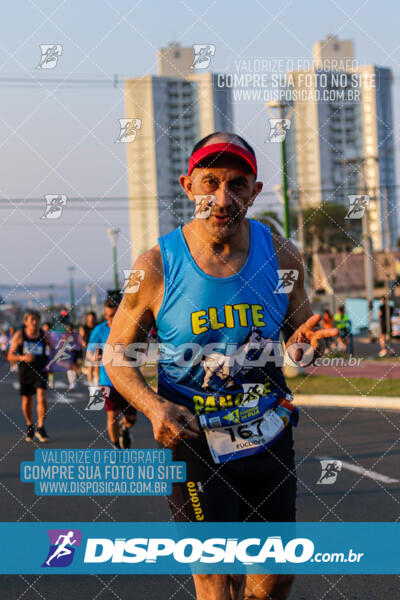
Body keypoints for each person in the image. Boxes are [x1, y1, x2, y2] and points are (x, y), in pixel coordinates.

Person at [105, 132, 337, 600]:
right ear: (187, 186)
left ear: (255, 191)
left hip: (267, 439)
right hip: (193, 441)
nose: (222, 198)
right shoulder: (154, 266)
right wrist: (153, 409)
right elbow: (115, 355)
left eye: (237, 184)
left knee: (274, 580)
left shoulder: (282, 256)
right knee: (214, 576)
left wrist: (310, 347)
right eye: (209, 183)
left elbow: (299, 346)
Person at [88, 297, 136, 449]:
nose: (112, 318)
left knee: (131, 418)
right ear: (105, 315)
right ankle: (116, 446)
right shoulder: (99, 330)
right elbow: (89, 352)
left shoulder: (127, 328)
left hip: (128, 379)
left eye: (115, 314)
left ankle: (125, 429)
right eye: (109, 315)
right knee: (112, 415)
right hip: (108, 380)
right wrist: (94, 356)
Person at [8, 310, 49, 442]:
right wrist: (23, 357)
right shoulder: (20, 335)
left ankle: (41, 428)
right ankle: (30, 424)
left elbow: (55, 348)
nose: (35, 322)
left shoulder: (44, 334)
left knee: (41, 398)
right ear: (26, 322)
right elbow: (10, 355)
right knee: (27, 401)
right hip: (26, 371)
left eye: (37, 319)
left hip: (41, 369)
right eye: (32, 320)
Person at [79, 311, 98, 385]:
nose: (91, 320)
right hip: (88, 350)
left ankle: (96, 385)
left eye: (92, 318)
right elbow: (81, 339)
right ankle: (91, 386)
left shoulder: (97, 327)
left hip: (97, 349)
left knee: (97, 368)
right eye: (89, 318)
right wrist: (83, 343)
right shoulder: (84, 327)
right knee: (89, 369)